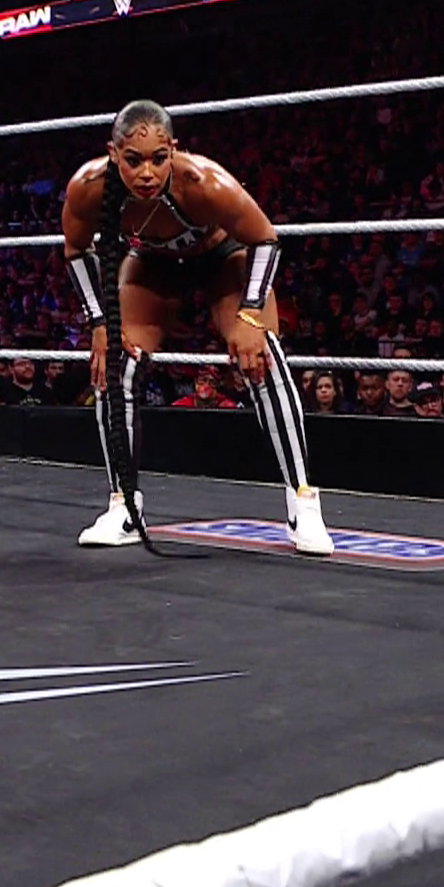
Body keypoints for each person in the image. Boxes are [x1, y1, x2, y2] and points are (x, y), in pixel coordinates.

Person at [60, 99, 333, 555]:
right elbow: (74, 250)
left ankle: (304, 502)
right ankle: (124, 506)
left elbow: (266, 238)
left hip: (222, 258)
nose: (147, 173)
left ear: (173, 149)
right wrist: (99, 322)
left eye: (158, 158)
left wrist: (250, 314)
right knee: (114, 365)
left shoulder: (204, 182)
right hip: (154, 265)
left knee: (262, 355)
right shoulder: (88, 188)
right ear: (113, 153)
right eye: (133, 160)